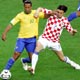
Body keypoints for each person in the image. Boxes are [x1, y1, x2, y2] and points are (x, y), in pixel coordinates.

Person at [28, 5, 80, 74]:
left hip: (55, 42)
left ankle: (72, 63)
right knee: (37, 49)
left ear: (64, 13)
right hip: (45, 38)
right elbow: (40, 8)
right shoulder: (51, 13)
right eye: (58, 12)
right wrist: (37, 12)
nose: (58, 14)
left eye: (61, 13)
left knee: (62, 58)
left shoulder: (65, 21)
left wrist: (73, 32)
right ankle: (33, 69)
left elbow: (71, 32)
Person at [0, 0, 46, 76]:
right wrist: (4, 33)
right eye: (26, 7)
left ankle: (24, 60)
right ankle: (5, 70)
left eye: (29, 7)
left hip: (32, 40)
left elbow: (46, 15)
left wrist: (53, 13)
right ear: (24, 7)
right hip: (22, 39)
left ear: (31, 7)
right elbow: (11, 24)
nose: (27, 9)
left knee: (32, 60)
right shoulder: (20, 15)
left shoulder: (36, 13)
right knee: (16, 54)